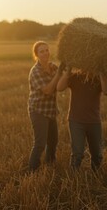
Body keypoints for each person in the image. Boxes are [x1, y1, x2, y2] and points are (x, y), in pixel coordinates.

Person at [57, 66, 107, 171]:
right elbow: (59, 88)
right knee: (77, 153)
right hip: (76, 121)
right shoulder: (75, 77)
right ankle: (73, 179)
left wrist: (101, 73)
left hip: (94, 121)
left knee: (97, 154)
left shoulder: (97, 78)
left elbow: (106, 91)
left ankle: (96, 176)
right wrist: (68, 72)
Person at [28, 41, 64, 171]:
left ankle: (50, 165)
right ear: (36, 55)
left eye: (47, 50)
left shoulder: (53, 67)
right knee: (40, 144)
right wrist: (59, 74)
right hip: (38, 110)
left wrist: (67, 70)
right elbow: (48, 90)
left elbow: (60, 86)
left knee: (53, 142)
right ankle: (32, 170)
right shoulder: (35, 71)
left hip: (51, 110)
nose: (45, 53)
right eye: (41, 51)